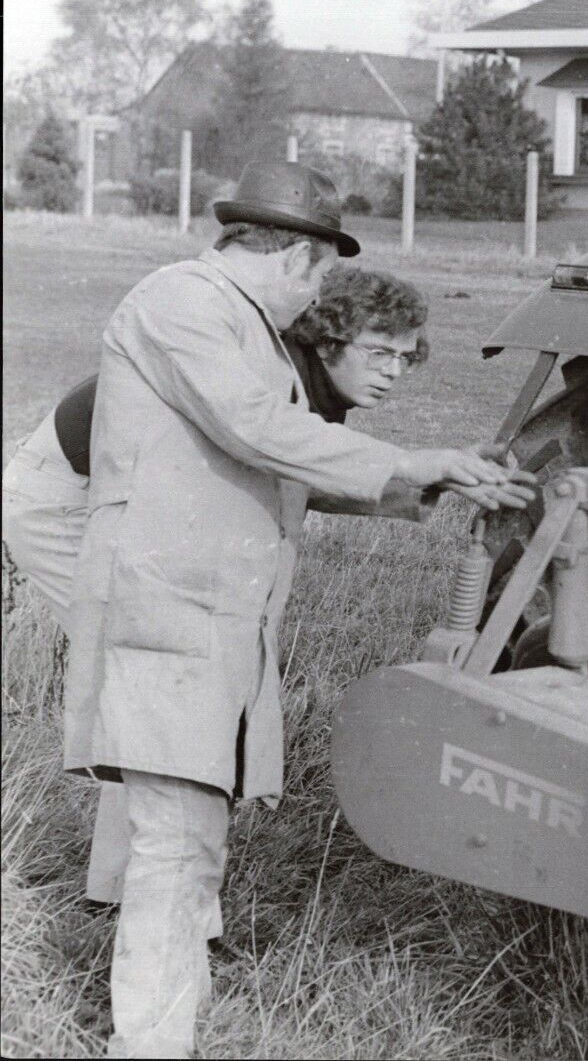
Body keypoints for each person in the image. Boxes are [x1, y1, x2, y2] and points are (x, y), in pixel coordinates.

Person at [51, 161, 527, 1059]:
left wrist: (429, 483)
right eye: (318, 276)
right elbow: (255, 430)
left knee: (191, 846)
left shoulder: (239, 326)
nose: (315, 299)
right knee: (172, 849)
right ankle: (148, 1044)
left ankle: (160, 1033)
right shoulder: (182, 302)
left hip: (207, 626)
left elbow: (274, 468)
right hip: (169, 615)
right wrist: (412, 460)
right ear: (300, 260)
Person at [3, 262, 448, 913]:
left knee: (165, 695)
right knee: (165, 684)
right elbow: (263, 458)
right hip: (65, 500)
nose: (392, 372)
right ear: (327, 339)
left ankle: (125, 892)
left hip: (110, 491)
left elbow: (289, 479)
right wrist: (404, 483)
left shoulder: (309, 381)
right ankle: (153, 902)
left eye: (406, 359)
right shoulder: (260, 371)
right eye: (379, 352)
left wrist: (411, 498)